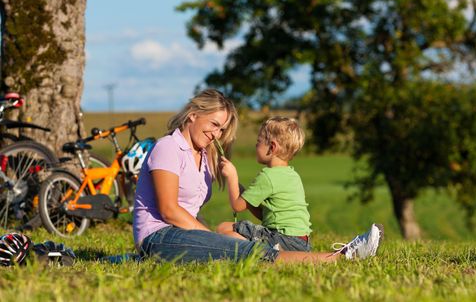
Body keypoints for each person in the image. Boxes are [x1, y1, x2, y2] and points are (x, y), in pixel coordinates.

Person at [133, 88, 382, 264]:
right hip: (158, 236)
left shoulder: (201, 155)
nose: (216, 134)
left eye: (222, 129)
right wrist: (207, 237)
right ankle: (340, 257)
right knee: (249, 252)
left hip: (181, 235)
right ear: (193, 115)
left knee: (237, 247)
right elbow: (169, 210)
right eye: (214, 124)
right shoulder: (168, 147)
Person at [216, 116, 382, 254]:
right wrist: (244, 192)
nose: (255, 145)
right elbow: (266, 215)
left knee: (223, 228)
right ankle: (269, 250)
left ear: (272, 147)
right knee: (230, 230)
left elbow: (237, 206)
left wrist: (232, 177)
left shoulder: (268, 176)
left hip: (283, 239)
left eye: (259, 141)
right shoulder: (291, 174)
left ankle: (261, 253)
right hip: (301, 242)